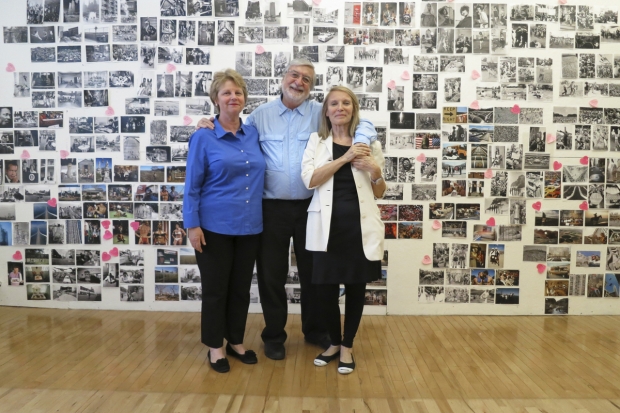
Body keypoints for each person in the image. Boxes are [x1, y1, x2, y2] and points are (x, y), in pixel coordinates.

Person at [196, 58, 377, 361]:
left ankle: (315, 330)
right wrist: (208, 122)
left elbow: (363, 122)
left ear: (311, 86)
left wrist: (360, 141)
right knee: (271, 275)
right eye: (294, 75)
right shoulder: (260, 116)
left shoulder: (320, 113)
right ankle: (274, 335)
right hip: (270, 208)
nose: (299, 82)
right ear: (283, 77)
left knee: (314, 273)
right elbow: (232, 128)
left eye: (306, 79)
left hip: (313, 207)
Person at [301, 86, 385, 374]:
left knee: (355, 289)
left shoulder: (369, 143)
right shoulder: (317, 141)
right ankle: (333, 343)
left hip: (358, 230)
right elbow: (310, 180)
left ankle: (347, 346)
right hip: (326, 229)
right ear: (326, 111)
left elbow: (380, 191)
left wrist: (375, 171)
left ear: (353, 108)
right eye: (334, 103)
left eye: (346, 103)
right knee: (324, 291)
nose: (340, 107)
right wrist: (345, 157)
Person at [184, 69, 264, 373]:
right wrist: (193, 225)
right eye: (227, 93)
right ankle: (215, 347)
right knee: (216, 289)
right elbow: (191, 185)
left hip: (250, 226)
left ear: (244, 98)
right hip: (213, 228)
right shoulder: (203, 136)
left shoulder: (253, 133)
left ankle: (235, 340)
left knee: (241, 289)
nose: (234, 97)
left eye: (238, 93)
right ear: (215, 99)